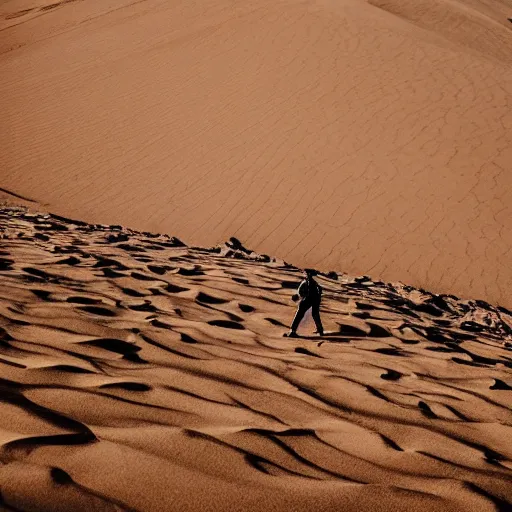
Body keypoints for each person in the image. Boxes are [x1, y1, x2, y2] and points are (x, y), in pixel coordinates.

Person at [285, 269, 324, 337]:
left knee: (300, 314)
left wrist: (302, 296)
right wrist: (318, 296)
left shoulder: (309, 282)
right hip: (314, 299)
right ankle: (320, 330)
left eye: (307, 273)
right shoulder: (313, 282)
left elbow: (301, 292)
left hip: (310, 299)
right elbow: (319, 290)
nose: (306, 274)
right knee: (314, 314)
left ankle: (293, 331)